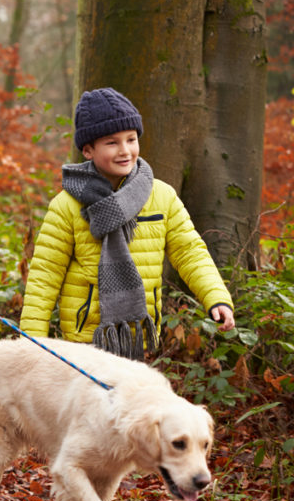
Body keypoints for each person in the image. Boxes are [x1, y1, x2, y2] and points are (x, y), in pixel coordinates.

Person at [20, 87, 235, 359]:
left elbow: (190, 252)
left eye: (131, 139)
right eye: (112, 143)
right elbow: (44, 277)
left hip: (139, 336)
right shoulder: (67, 205)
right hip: (85, 341)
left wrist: (216, 297)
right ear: (88, 150)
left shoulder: (162, 196)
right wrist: (31, 346)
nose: (125, 151)